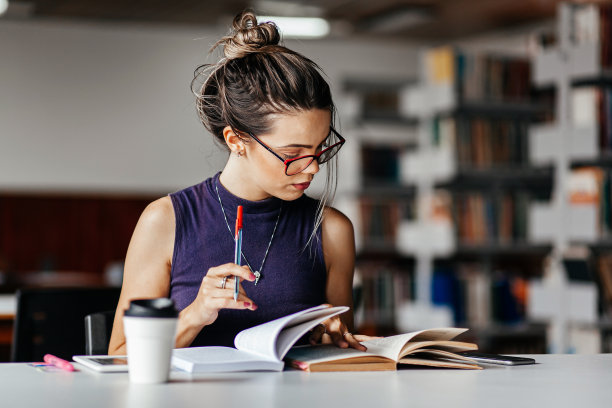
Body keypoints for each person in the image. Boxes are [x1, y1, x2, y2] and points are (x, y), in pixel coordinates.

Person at [108, 10, 368, 355]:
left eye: (320, 148)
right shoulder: (165, 221)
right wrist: (195, 315)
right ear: (236, 140)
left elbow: (339, 356)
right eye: (294, 152)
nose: (313, 168)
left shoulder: (332, 231)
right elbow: (119, 356)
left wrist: (330, 336)